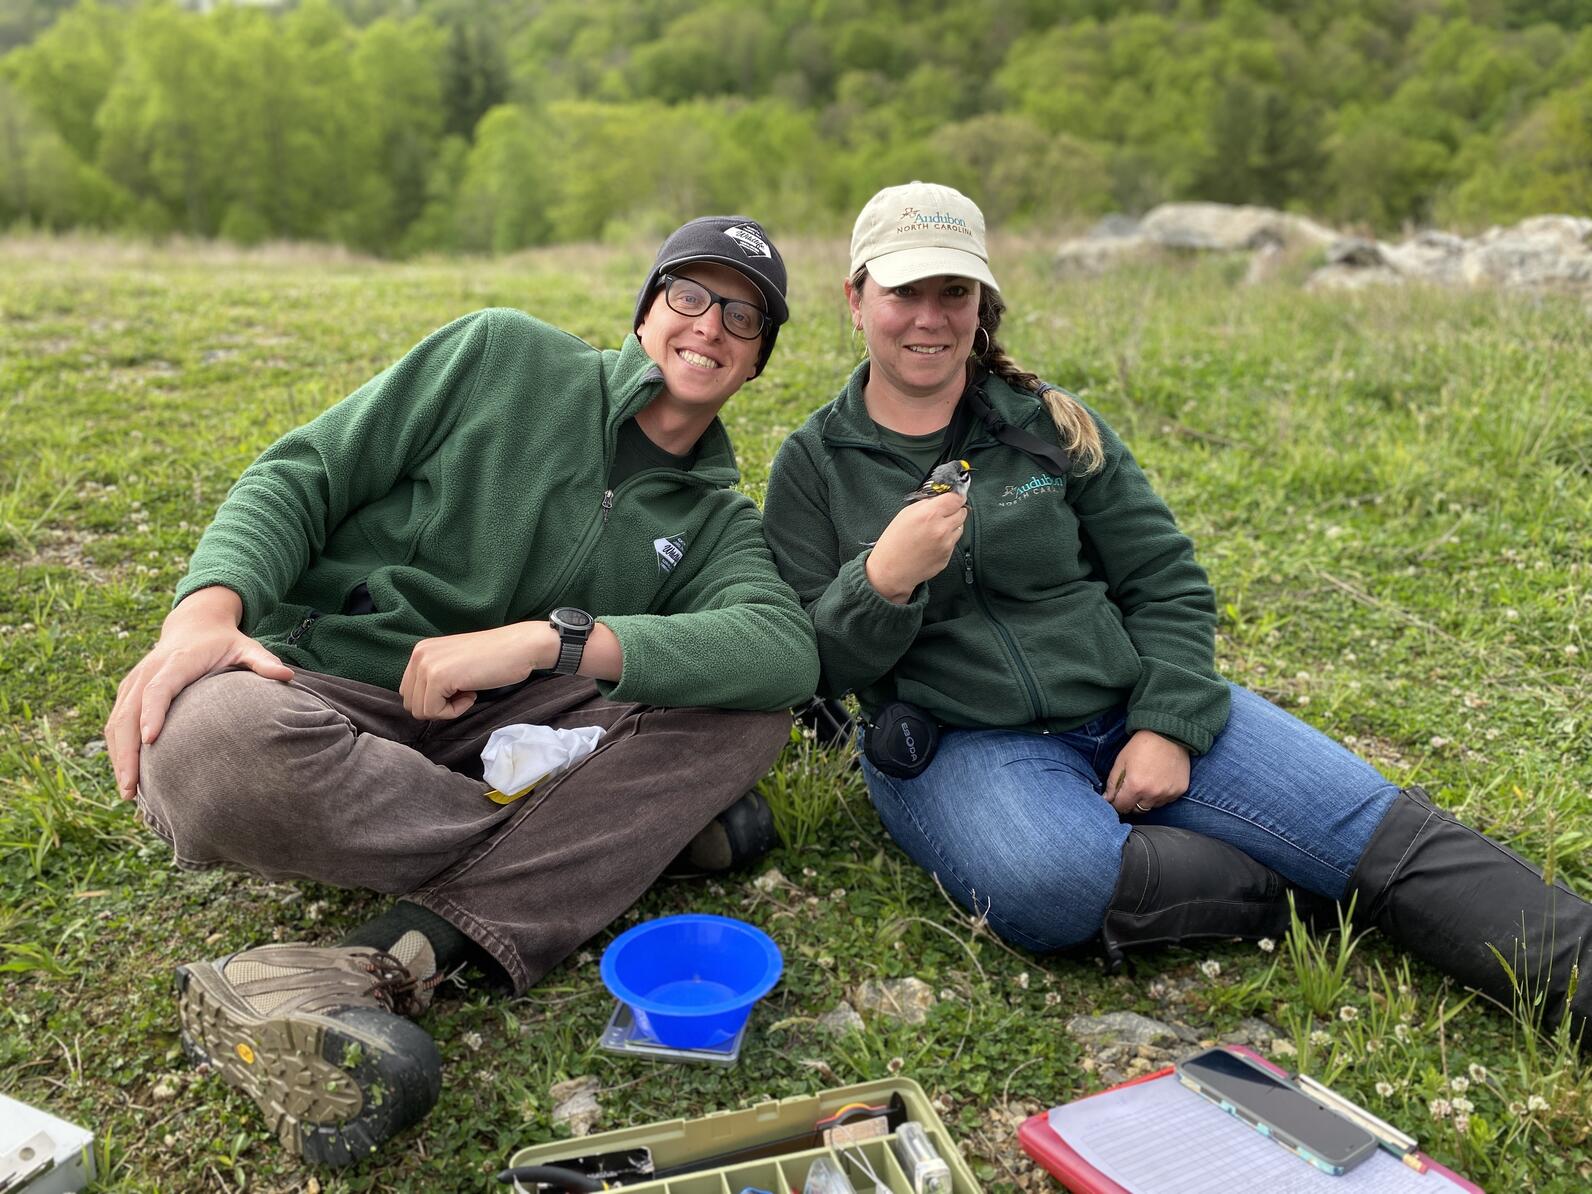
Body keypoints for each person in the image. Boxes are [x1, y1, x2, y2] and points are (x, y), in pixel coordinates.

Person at [763, 181, 1589, 1049]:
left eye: (953, 292)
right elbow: (820, 667)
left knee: (1378, 828)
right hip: (965, 744)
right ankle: (1300, 886)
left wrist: (1167, 723)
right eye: (903, 292)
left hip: (1124, 698)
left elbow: (1166, 578)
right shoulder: (812, 466)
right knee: (1050, 881)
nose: (929, 318)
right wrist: (883, 583)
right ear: (855, 300)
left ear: (982, 302)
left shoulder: (1053, 424)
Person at [105, 215, 820, 1165]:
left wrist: (549, 641)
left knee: (744, 721)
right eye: (689, 294)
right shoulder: (499, 354)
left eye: (744, 316)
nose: (711, 325)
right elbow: (305, 473)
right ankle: (616, 838)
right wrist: (205, 613)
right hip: (323, 689)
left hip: (508, 723)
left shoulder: (717, 520)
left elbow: (782, 650)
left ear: (759, 362)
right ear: (646, 310)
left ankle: (382, 954)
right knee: (206, 748)